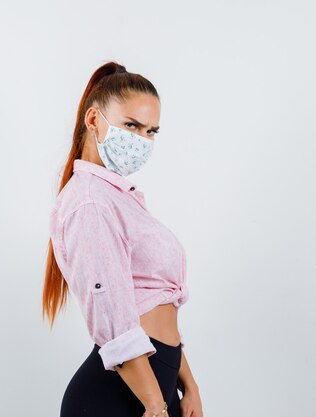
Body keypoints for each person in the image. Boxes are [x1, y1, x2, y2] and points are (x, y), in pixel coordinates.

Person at [42, 61, 203, 417]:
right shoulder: (90, 202)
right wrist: (154, 405)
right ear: (94, 120)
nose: (142, 141)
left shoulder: (117, 196)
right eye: (131, 125)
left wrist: (187, 386)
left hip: (155, 388)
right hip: (120, 397)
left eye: (151, 131)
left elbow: (152, 300)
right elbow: (113, 316)